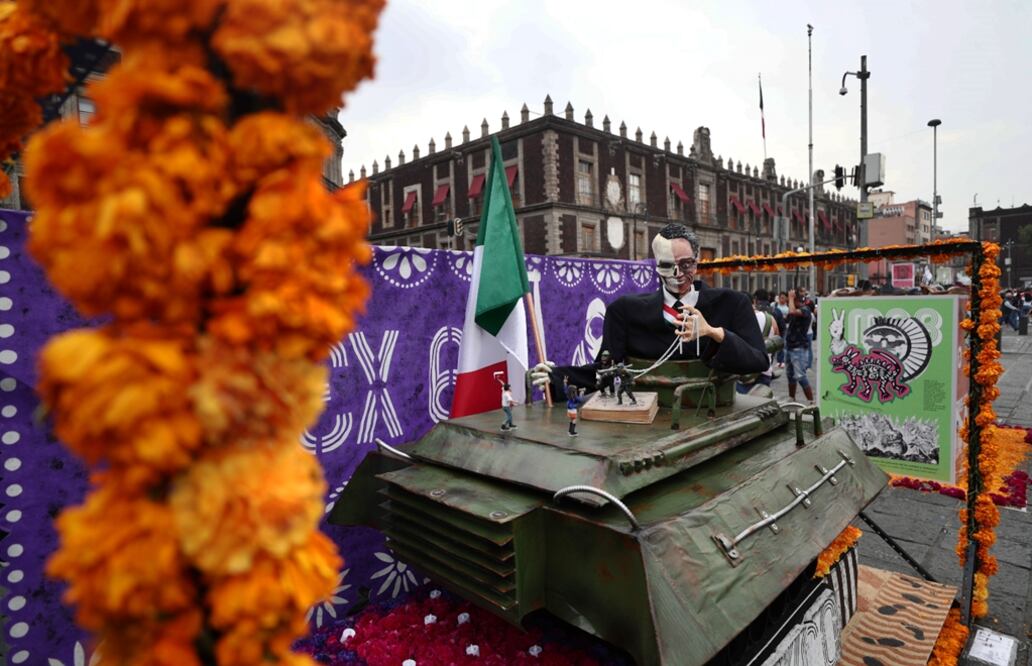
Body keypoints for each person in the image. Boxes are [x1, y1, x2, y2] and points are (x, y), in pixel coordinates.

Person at [532, 224, 769, 396]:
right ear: (657, 266)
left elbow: (758, 361)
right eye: (668, 266)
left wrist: (713, 332)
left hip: (714, 414)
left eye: (685, 264)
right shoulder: (625, 311)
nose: (677, 275)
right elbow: (605, 372)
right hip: (647, 421)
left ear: (696, 262)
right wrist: (558, 377)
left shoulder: (732, 303)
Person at [785, 288, 814, 404]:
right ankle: (792, 398)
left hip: (799, 347)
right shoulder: (797, 309)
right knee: (790, 375)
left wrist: (791, 298)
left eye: (790, 299)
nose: (788, 302)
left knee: (800, 375)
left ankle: (811, 401)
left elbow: (792, 312)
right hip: (790, 346)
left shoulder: (805, 310)